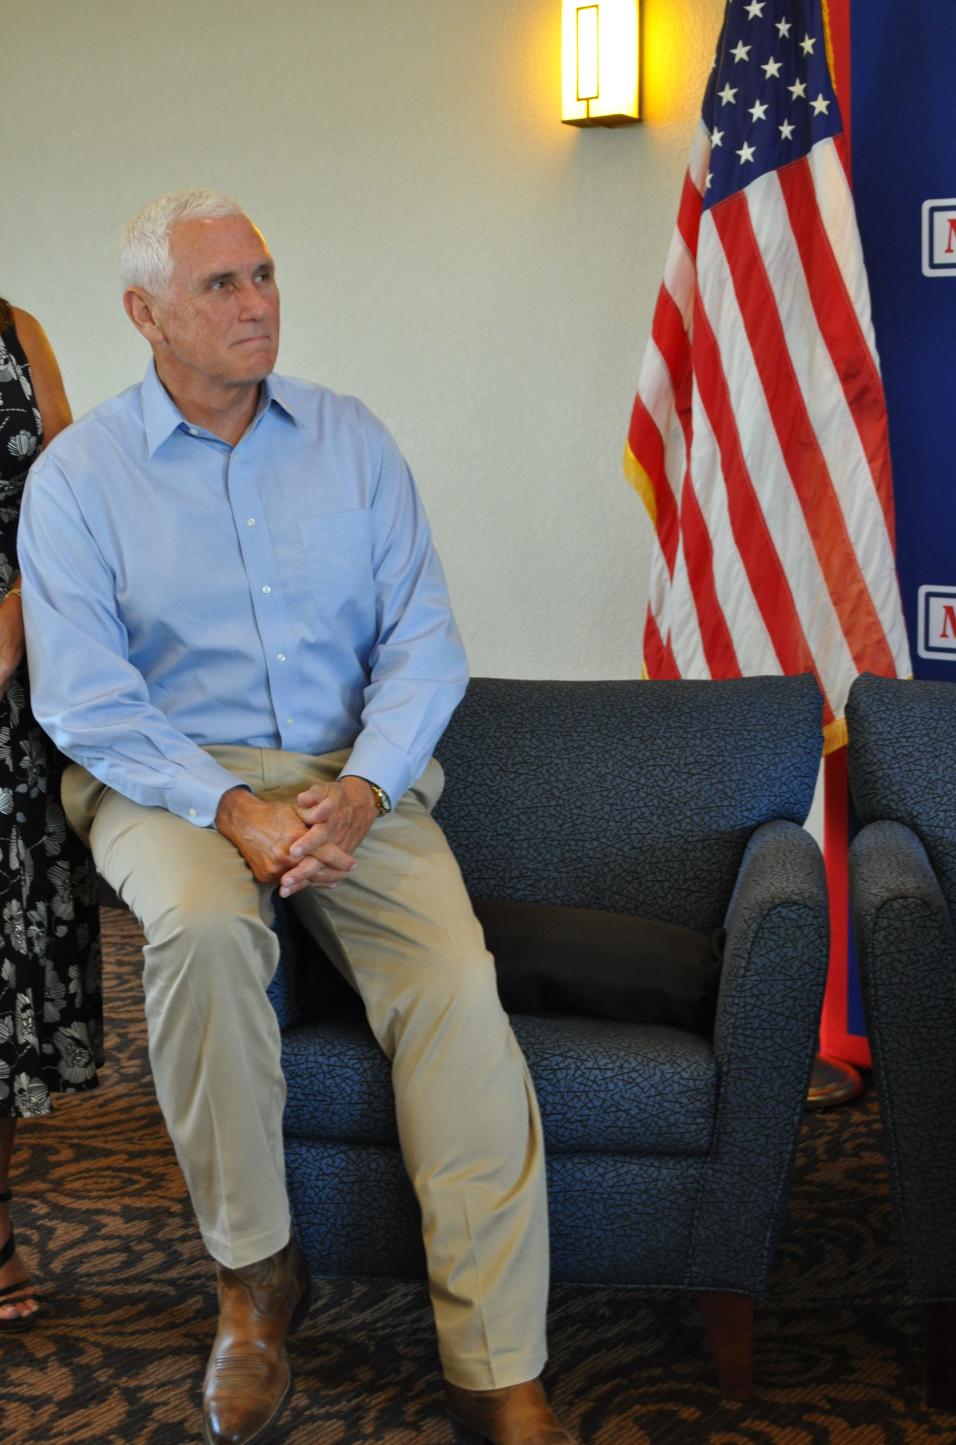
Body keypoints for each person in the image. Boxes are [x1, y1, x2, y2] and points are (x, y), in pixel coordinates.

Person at [18, 190, 574, 1445]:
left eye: (263, 273)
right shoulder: (80, 478)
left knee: (453, 985)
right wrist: (227, 807)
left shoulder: (353, 441)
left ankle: (496, 1360)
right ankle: (255, 1280)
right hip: (170, 773)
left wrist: (365, 790)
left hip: (348, 774)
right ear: (143, 314)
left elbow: (425, 644)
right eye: (219, 285)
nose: (256, 301)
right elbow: (87, 699)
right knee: (207, 936)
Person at [0, 300, 102, 1331]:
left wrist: (17, 614)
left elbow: (60, 498)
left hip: (8, 676)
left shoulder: (14, 328)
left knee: (2, 958)